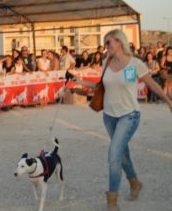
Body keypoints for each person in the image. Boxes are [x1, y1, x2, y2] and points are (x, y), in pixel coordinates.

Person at [72, 29, 172, 211]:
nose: (106, 47)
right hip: (109, 117)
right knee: (121, 154)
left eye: (108, 43)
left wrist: (168, 101)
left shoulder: (135, 64)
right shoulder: (106, 62)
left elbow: (152, 84)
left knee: (113, 154)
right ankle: (134, 183)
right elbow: (99, 86)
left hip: (129, 115)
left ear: (119, 42)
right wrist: (79, 82)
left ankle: (112, 201)